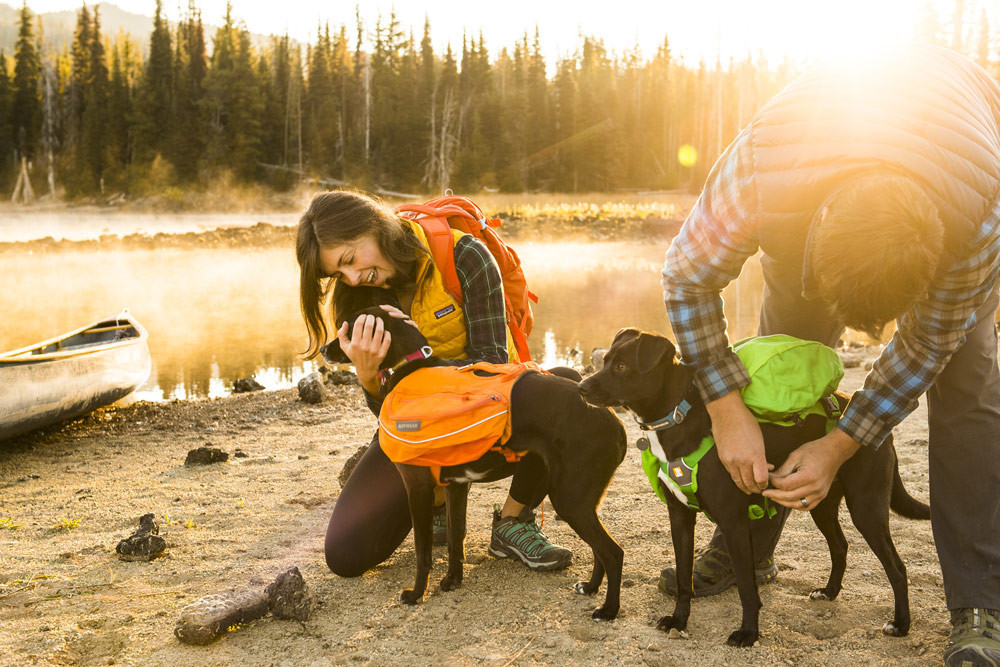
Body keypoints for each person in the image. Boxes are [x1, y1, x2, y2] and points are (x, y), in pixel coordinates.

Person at [660, 44, 1000, 666]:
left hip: (961, 137)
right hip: (814, 154)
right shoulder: (762, 174)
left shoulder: (976, 219)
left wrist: (841, 443)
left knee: (970, 388)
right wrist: (727, 410)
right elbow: (686, 278)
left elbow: (926, 346)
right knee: (782, 353)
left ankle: (980, 599)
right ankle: (750, 544)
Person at [296, 189, 572, 578]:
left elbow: (490, 369)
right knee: (345, 555)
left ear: (375, 225)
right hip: (417, 432)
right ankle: (437, 500)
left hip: (488, 419)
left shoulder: (466, 257)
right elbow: (389, 415)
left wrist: (416, 363)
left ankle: (513, 520)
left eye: (350, 259)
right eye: (338, 274)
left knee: (565, 386)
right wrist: (369, 378)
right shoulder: (357, 296)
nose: (353, 278)